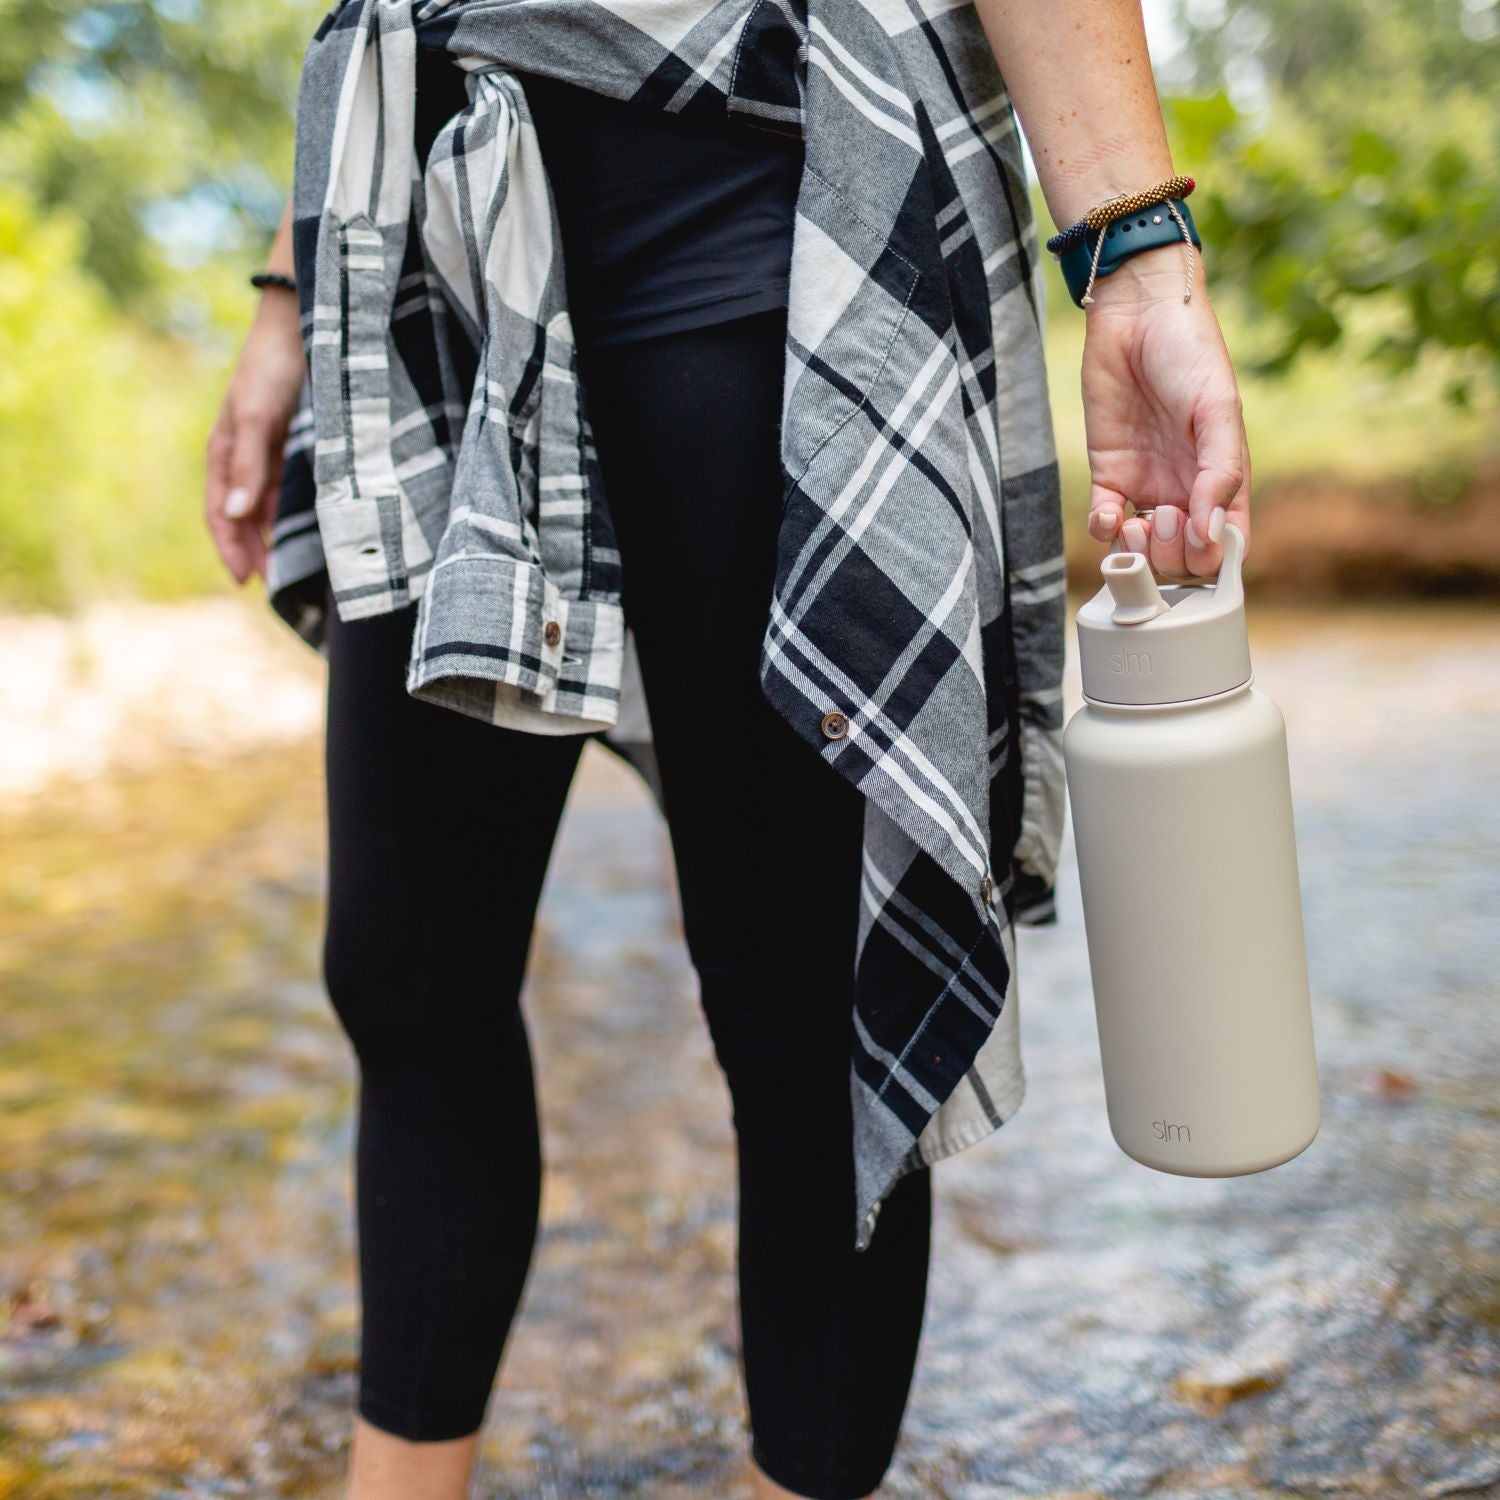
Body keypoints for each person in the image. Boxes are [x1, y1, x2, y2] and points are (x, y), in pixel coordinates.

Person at [204, 1, 1249, 1496]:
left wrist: (1137, 259)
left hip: (755, 201)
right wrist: (284, 292)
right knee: (405, 973)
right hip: (430, 229)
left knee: (802, 1011)